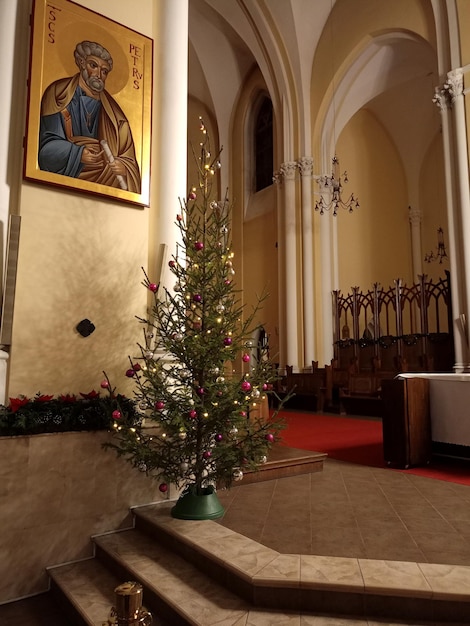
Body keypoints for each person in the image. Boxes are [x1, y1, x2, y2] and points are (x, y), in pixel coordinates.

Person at [38, 40, 141, 193]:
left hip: (107, 189)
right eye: (93, 65)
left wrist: (123, 167)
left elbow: (129, 160)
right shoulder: (58, 95)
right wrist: (78, 154)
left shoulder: (115, 115)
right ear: (81, 63)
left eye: (104, 71)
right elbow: (45, 150)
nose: (99, 75)